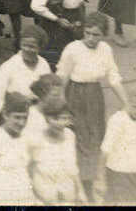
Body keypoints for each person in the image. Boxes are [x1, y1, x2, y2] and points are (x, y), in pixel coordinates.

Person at [54, 11, 125, 194]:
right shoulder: (73, 48)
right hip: (74, 95)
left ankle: (92, 179)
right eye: (88, 33)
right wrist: (61, 106)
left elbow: (113, 77)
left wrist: (126, 102)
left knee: (96, 135)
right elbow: (62, 78)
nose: (91, 38)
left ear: (103, 35)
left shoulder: (106, 50)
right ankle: (78, 183)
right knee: (78, 136)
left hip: (94, 96)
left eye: (96, 35)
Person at [0, 24, 53, 128]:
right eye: (24, 45)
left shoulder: (43, 64)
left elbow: (48, 92)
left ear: (40, 47)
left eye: (32, 47)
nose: (27, 49)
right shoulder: (9, 66)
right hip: (16, 117)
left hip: (38, 117)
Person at [28, 96, 85, 203]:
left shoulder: (70, 135)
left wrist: (81, 191)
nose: (62, 123)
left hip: (67, 197)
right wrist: (33, 196)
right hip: (42, 199)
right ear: (46, 118)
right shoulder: (35, 139)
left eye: (66, 118)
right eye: (56, 118)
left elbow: (73, 167)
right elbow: (27, 170)